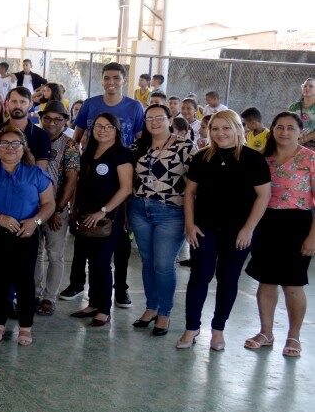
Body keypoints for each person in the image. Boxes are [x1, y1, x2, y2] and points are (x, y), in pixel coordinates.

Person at [178, 109, 271, 351]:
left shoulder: (253, 159)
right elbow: (189, 192)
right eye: (215, 129)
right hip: (204, 229)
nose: (221, 133)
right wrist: (190, 224)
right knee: (199, 277)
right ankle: (191, 328)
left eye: (226, 128)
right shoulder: (201, 157)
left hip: (238, 232)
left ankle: (218, 329)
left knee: (228, 279)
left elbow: (263, 196)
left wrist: (248, 228)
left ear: (238, 129)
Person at [0, 127, 55, 346]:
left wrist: (35, 221)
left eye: (15, 144)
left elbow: (49, 203)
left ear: (23, 148)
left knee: (25, 281)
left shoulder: (35, 173)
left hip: (26, 233)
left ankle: (26, 326)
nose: (10, 148)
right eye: (4, 143)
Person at [243, 112, 312, 358]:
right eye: (280, 127)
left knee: (293, 283)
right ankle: (266, 332)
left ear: (300, 132)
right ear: (272, 130)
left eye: (291, 128)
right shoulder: (264, 159)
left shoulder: (310, 158)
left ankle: (294, 336)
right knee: (266, 280)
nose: (284, 132)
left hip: (298, 224)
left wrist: (313, 237)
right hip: (267, 223)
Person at [128, 103, 193, 336]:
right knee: (148, 261)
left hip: (171, 212)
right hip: (139, 210)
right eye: (149, 119)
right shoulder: (138, 146)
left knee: (163, 265)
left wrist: (191, 219)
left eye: (159, 118)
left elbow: (194, 185)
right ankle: (151, 307)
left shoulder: (185, 146)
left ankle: (164, 312)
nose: (154, 122)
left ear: (170, 120)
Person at [66, 113, 133, 327]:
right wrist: (75, 211)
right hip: (86, 216)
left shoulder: (122, 154)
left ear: (116, 130)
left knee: (103, 263)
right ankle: (93, 303)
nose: (102, 130)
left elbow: (126, 188)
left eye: (107, 127)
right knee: (91, 261)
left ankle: (104, 309)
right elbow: (80, 185)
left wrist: (103, 211)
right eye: (98, 126)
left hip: (108, 218)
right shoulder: (89, 152)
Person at [289, 78, 315, 147]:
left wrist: (303, 140)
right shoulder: (294, 106)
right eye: (305, 86)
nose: (307, 88)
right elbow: (288, 124)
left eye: (311, 86)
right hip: (295, 139)